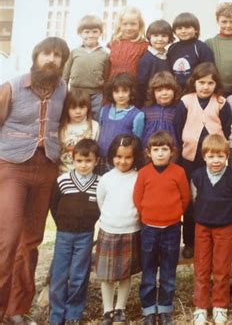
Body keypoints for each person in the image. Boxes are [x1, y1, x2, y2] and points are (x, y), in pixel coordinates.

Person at [0, 37, 70, 324]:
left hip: (46, 169)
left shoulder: (63, 89)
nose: (51, 59)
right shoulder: (12, 87)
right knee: (8, 238)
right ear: (35, 56)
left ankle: (17, 308)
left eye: (57, 56)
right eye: (46, 54)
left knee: (31, 241)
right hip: (12, 167)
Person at [174, 62, 232, 258]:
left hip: (214, 159)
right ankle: (190, 241)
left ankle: (215, 239)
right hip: (190, 158)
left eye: (210, 83)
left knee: (213, 197)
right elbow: (178, 127)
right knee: (191, 199)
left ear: (216, 84)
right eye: (201, 82)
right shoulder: (185, 101)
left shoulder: (221, 102)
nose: (206, 87)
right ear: (194, 82)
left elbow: (228, 127)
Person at [133, 131, 190, 325]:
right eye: (155, 149)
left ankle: (165, 308)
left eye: (164, 149)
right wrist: (149, 215)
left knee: (168, 269)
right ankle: (149, 309)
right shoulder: (143, 173)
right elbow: (137, 199)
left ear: (172, 151)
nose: (160, 154)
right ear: (148, 152)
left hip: (171, 229)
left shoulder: (178, 172)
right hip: (149, 228)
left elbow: (185, 198)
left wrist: (173, 214)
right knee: (148, 268)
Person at [191, 135, 232, 325]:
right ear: (204, 156)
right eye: (211, 156)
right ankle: (201, 306)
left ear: (227, 156)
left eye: (220, 156)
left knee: (221, 268)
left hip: (225, 227)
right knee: (202, 267)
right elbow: (194, 199)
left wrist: (227, 218)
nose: (216, 161)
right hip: (202, 226)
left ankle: (220, 305)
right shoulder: (197, 176)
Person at [48, 139, 100, 324]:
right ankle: (56, 315)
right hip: (64, 234)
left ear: (96, 161)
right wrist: (62, 224)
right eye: (79, 161)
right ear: (72, 160)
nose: (83, 165)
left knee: (79, 275)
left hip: (85, 235)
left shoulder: (99, 183)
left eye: (88, 161)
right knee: (59, 275)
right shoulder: (62, 181)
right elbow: (54, 206)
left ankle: (73, 314)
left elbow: (101, 207)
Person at [96, 134, 144, 325]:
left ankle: (120, 309)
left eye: (127, 157)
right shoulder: (106, 178)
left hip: (131, 230)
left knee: (125, 274)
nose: (122, 161)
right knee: (106, 276)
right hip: (109, 230)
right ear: (111, 156)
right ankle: (108, 310)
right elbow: (101, 202)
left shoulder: (139, 177)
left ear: (135, 157)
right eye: (118, 156)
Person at [62, 15, 109, 120]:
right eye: (87, 32)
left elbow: (106, 77)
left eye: (95, 32)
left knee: (95, 118)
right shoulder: (74, 52)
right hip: (76, 92)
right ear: (80, 33)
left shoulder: (105, 54)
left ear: (101, 33)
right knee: (75, 117)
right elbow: (65, 75)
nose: (91, 35)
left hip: (96, 95)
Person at [98, 73, 144, 172]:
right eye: (116, 91)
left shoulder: (137, 115)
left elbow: (136, 142)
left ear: (131, 92)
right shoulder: (104, 110)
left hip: (121, 161)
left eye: (124, 91)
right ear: (111, 93)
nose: (120, 95)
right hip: (102, 159)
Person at [205, 2, 232, 97]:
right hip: (216, 90)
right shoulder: (209, 43)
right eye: (224, 21)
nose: (228, 25)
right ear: (217, 21)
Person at [167, 12, 214, 90]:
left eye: (187, 27)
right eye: (179, 28)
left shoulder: (201, 47)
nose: (183, 31)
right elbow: (169, 71)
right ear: (174, 31)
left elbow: (209, 72)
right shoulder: (172, 48)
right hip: (176, 91)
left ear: (196, 29)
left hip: (195, 91)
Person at [58, 89, 100, 174]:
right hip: (65, 173)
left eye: (82, 107)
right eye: (73, 108)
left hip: (87, 173)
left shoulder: (94, 126)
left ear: (88, 108)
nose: (78, 112)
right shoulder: (61, 127)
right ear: (67, 109)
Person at [136, 19, 173, 107]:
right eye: (156, 35)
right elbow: (141, 84)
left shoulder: (169, 56)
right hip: (150, 103)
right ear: (149, 37)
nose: (159, 39)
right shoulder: (146, 59)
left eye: (164, 36)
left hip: (167, 100)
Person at [141, 71, 180, 149]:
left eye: (168, 89)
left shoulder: (178, 110)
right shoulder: (146, 110)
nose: (164, 93)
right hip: (148, 151)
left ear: (174, 91)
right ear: (153, 93)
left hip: (171, 151)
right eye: (159, 90)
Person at [107, 6, 148, 79]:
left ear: (140, 25)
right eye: (125, 24)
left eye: (133, 24)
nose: (128, 28)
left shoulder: (144, 46)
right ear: (119, 25)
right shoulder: (113, 43)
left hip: (134, 86)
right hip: (114, 86)